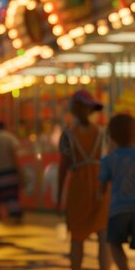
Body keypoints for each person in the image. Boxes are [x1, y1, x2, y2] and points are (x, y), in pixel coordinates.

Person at [58, 89, 111, 270]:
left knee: (77, 237)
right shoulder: (103, 133)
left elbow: (63, 169)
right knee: (104, 236)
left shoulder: (68, 135)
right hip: (101, 186)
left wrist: (59, 199)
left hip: (78, 188)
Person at [99, 113, 135, 270]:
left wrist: (98, 196)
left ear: (111, 135)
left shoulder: (108, 159)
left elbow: (101, 187)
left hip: (117, 211)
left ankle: (124, 268)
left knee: (114, 244)